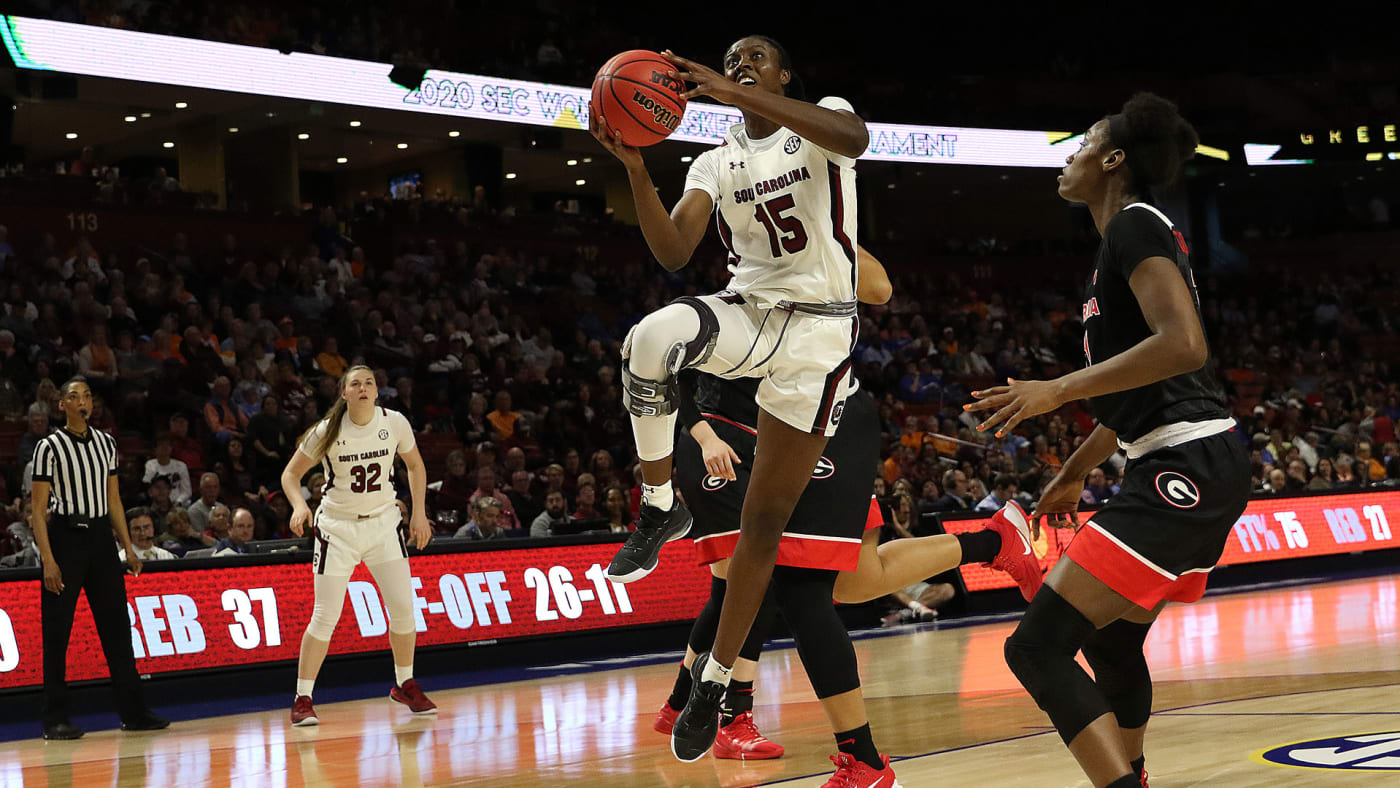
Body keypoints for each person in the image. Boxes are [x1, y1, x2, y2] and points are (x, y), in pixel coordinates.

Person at [590, 36, 878, 770]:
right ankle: (659, 505)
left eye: (756, 57)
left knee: (764, 523)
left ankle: (715, 683)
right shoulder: (715, 161)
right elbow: (673, 252)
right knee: (649, 338)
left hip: (820, 331)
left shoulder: (823, 119)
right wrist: (635, 167)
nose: (742, 62)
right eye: (732, 58)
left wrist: (729, 89)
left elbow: (854, 138)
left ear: (785, 75)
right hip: (751, 311)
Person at [967, 93, 1250, 788]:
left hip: (1187, 460)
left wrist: (1058, 389)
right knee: (1113, 641)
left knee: (1036, 648)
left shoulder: (1133, 225)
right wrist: (1073, 471)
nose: (1070, 156)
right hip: (1185, 456)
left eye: (1084, 143)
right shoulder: (1121, 240)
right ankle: (1135, 774)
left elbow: (1184, 346)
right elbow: (1137, 393)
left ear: (1115, 158)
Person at [656, 362, 1039, 780]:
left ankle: (835, 751)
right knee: (849, 579)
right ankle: (995, 540)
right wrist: (662, 484)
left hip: (820, 420)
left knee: (799, 582)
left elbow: (873, 297)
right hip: (773, 426)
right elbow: (659, 373)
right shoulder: (715, 337)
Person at [279, 366, 435, 726]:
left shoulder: (394, 422)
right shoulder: (327, 430)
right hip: (337, 530)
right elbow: (290, 474)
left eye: (369, 383)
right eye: (355, 384)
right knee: (325, 616)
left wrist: (419, 513)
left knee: (404, 609)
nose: (363, 388)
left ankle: (405, 684)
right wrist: (300, 505)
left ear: (377, 391)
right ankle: (302, 698)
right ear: (344, 393)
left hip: (383, 526)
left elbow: (415, 466)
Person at [30, 378, 167, 739]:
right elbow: (37, 510)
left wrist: (128, 546)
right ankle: (54, 719)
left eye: (87, 396)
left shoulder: (106, 443)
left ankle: (134, 713)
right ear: (62, 404)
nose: (82, 402)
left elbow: (114, 500)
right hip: (65, 538)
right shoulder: (49, 447)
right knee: (57, 632)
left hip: (101, 539)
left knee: (118, 628)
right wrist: (48, 560)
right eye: (74, 397)